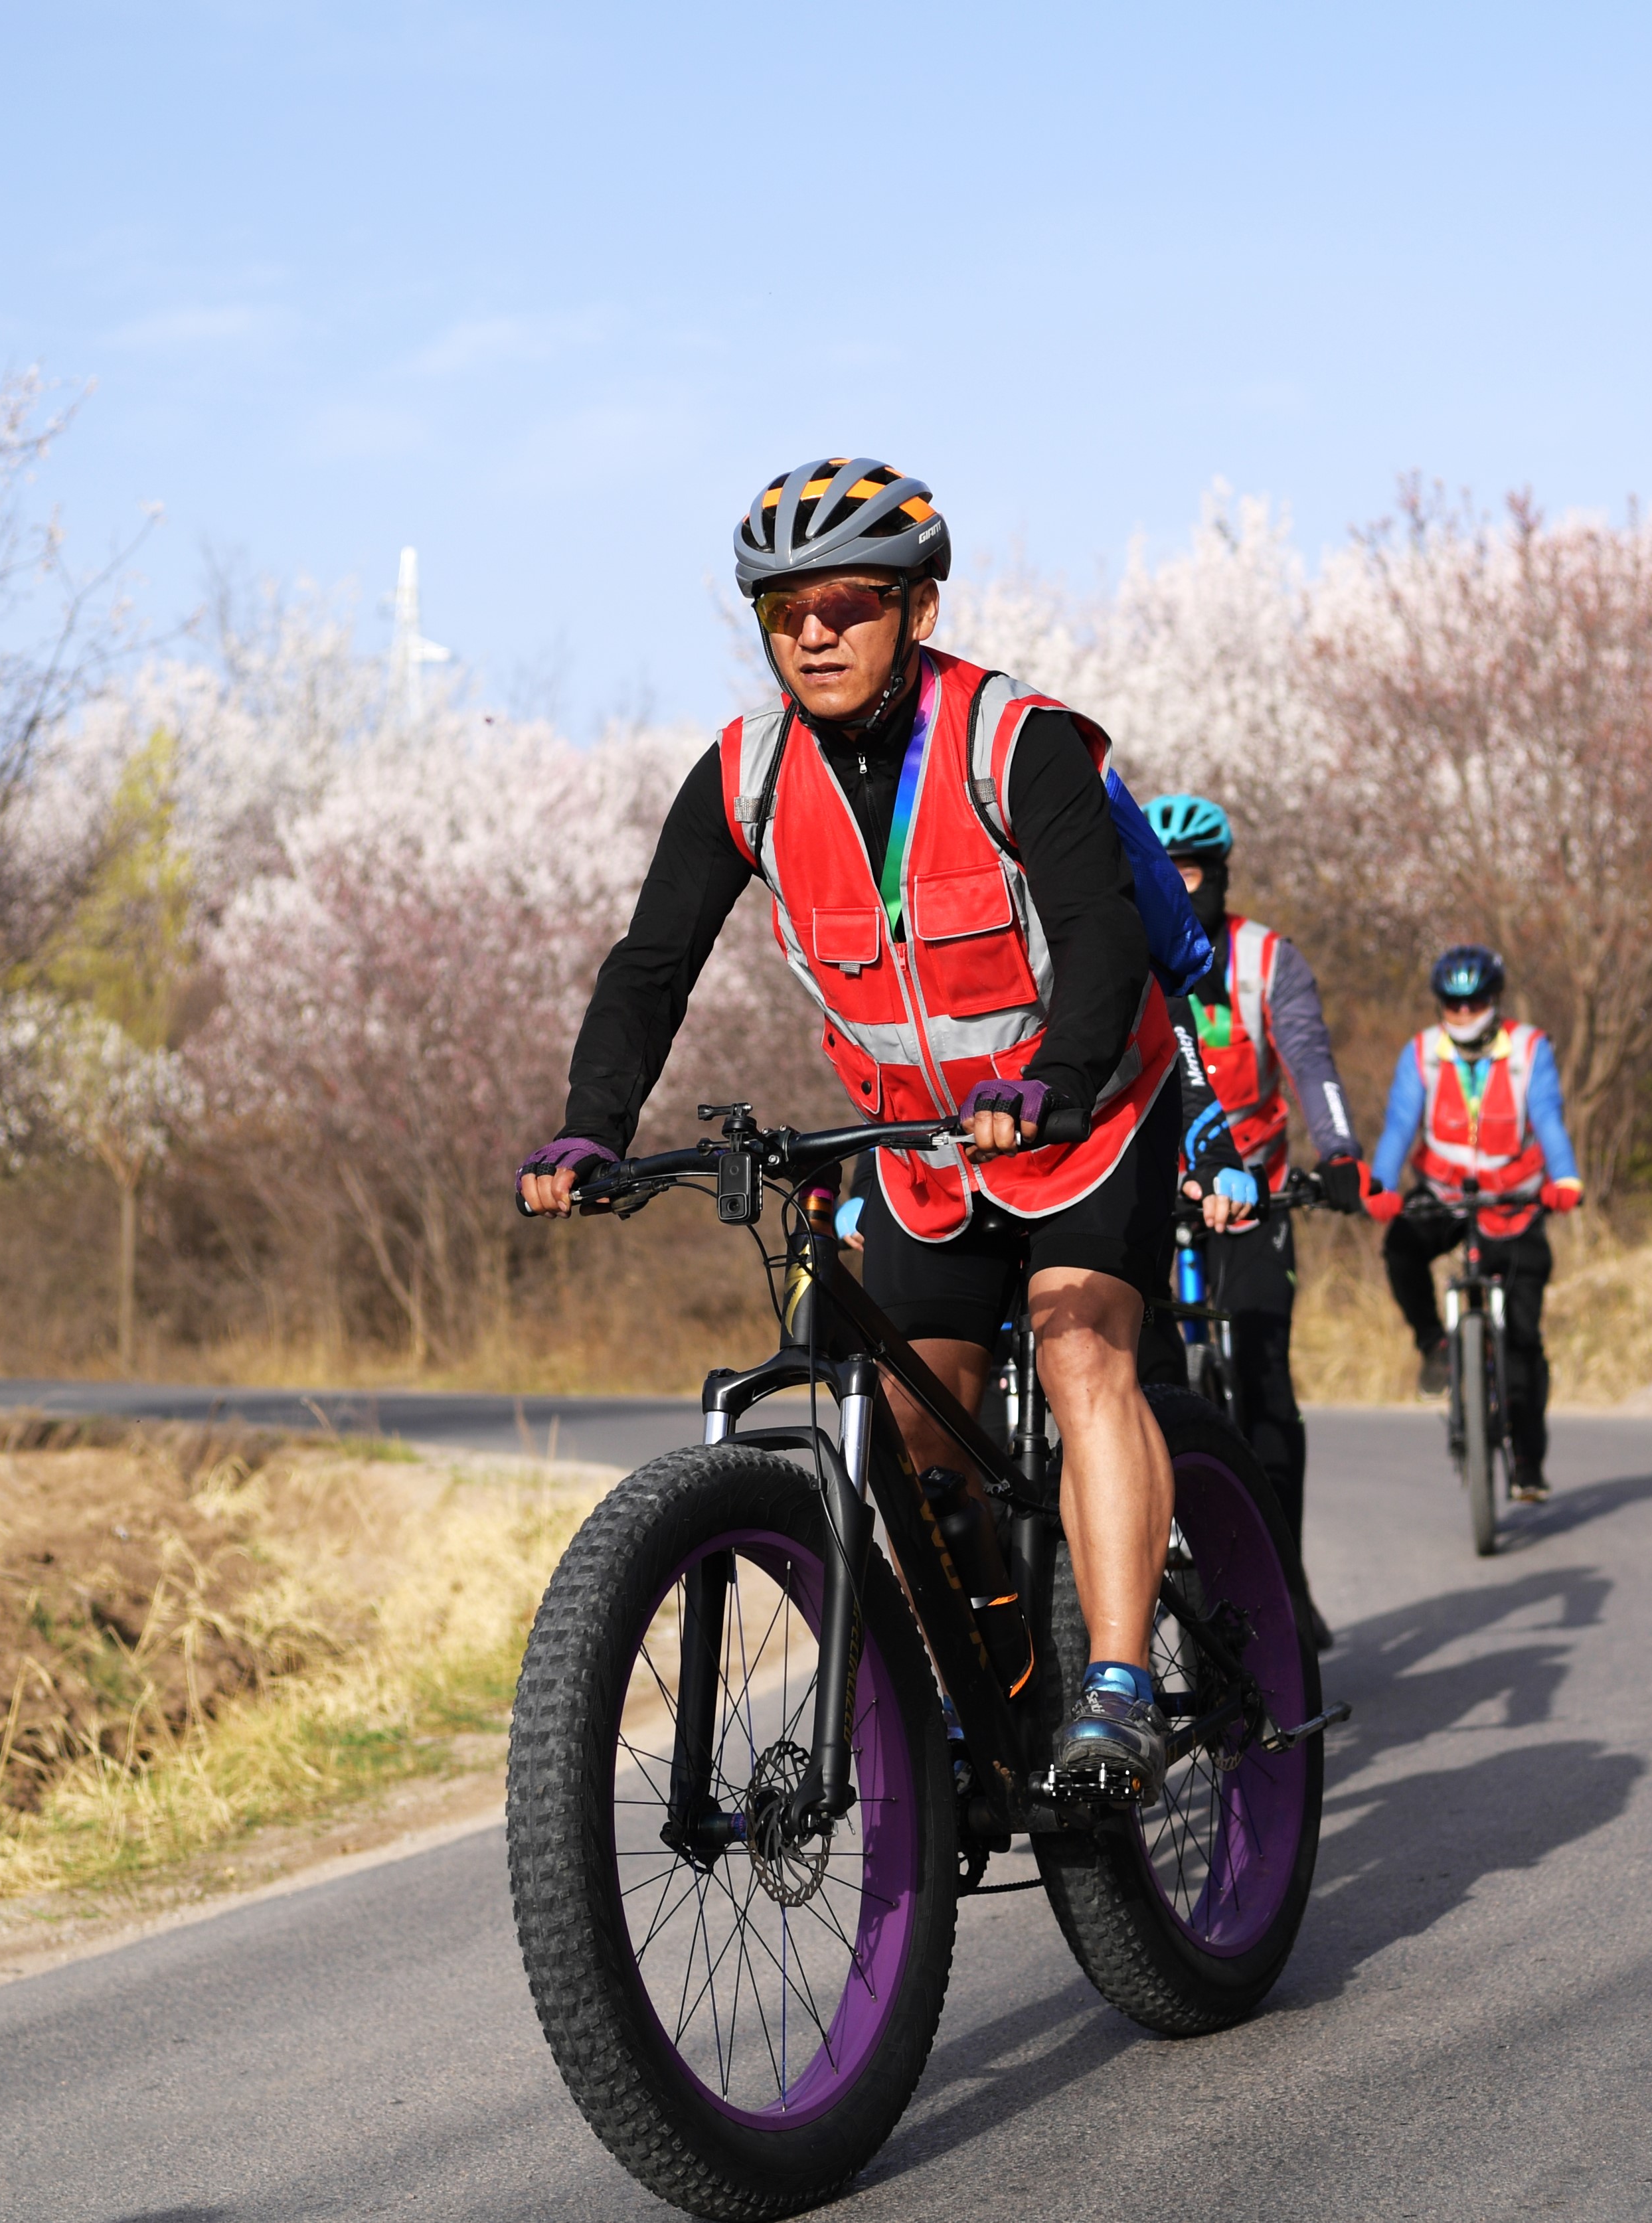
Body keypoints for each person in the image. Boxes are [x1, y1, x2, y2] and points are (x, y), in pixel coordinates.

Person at [517, 455, 1234, 1807]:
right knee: (911, 1425)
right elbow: (651, 962)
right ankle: (1003, 1692)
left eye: (847, 601)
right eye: (782, 609)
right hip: (922, 1156)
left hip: (1086, 1115)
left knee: (1083, 1348)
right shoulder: (741, 778)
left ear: (918, 606)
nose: (814, 633)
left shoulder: (1011, 741)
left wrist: (1064, 1073)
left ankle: (1126, 1688)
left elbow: (1097, 931)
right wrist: (587, 1132)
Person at [1143, 793, 1363, 1646]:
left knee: (1266, 1375)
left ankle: (1286, 1575)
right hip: (1155, 1196)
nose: (1175, 887)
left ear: (1219, 877)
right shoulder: (1130, 954)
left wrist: (1338, 1152)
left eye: (1189, 874)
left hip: (1258, 1191)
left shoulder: (1266, 958)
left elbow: (1309, 1061)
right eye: (1162, 874)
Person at [1361, 944, 1583, 1503]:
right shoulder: (1422, 1054)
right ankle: (1435, 1344)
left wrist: (1566, 1180)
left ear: (1494, 1000)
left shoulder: (1530, 1049)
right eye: (1452, 1005)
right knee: (1401, 1249)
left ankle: (1528, 1461)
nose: (1463, 1015)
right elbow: (1398, 1127)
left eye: (1475, 1003)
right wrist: (1381, 1186)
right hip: (1443, 1193)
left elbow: (1549, 1120)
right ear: (1440, 1005)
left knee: (1525, 1341)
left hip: (1516, 1199)